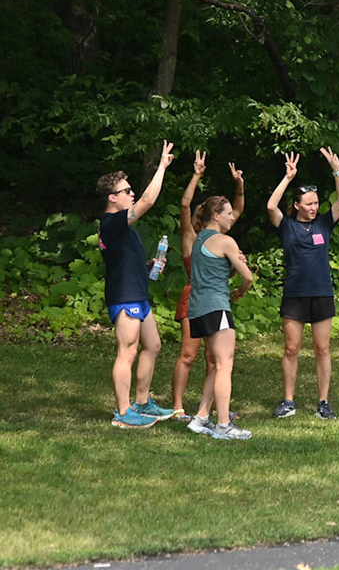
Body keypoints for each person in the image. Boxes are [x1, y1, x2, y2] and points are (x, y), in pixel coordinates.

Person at [97, 143, 177, 427]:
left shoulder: (124, 228)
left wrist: (148, 266)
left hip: (138, 293)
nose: (131, 194)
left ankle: (143, 402)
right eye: (126, 190)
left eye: (131, 190)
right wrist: (162, 167)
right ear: (112, 198)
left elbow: (122, 260)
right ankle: (123, 412)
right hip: (124, 295)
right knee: (128, 350)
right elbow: (147, 201)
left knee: (152, 345)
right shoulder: (111, 222)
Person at [267, 149, 339, 419]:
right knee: (291, 349)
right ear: (298, 205)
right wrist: (288, 177)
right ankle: (288, 401)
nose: (314, 207)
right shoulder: (287, 226)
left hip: (321, 293)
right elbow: (271, 207)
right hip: (295, 295)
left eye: (316, 203)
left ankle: (323, 402)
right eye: (309, 203)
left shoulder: (324, 224)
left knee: (322, 349)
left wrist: (337, 171)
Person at [169, 153, 244, 420]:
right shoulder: (191, 237)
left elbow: (237, 211)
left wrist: (239, 185)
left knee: (215, 359)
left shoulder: (219, 238)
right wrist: (196, 175)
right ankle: (178, 407)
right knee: (188, 355)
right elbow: (184, 204)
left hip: (214, 298)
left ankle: (212, 408)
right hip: (193, 297)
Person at [184, 193, 256, 441]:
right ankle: (224, 425)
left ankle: (201, 418)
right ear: (216, 216)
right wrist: (241, 291)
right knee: (226, 364)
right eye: (228, 213)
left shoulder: (199, 239)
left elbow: (215, 272)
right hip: (216, 306)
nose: (232, 217)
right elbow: (248, 277)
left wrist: (232, 268)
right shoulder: (225, 241)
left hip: (198, 308)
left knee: (216, 365)